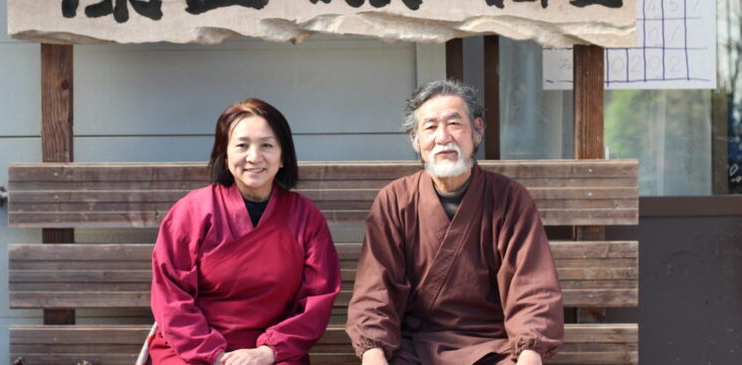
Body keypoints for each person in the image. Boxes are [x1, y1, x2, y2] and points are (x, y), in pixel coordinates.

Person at [346, 80, 564, 365]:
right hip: (414, 349)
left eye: (454, 124)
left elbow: (533, 290)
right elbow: (375, 291)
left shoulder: (509, 198)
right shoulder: (395, 200)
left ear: (477, 130)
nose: (443, 137)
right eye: (430, 127)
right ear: (415, 140)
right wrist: (373, 353)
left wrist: (529, 355)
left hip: (493, 349)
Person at [148, 98, 341, 365]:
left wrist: (269, 351)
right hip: (191, 350)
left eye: (267, 145)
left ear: (283, 156)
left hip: (274, 354)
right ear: (224, 155)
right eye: (242, 145)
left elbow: (316, 300)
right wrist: (215, 355)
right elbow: (171, 297)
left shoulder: (306, 217)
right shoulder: (191, 211)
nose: (254, 157)